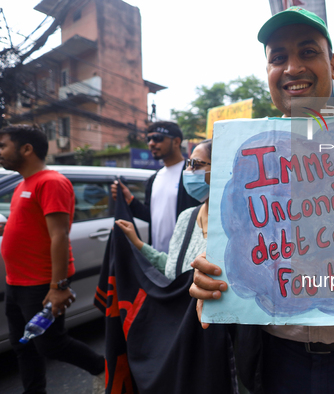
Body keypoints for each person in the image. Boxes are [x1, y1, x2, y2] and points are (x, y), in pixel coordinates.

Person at [190, 8, 334, 393]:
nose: (293, 67)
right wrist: (208, 280)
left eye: (308, 52)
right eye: (278, 58)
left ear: (332, 65)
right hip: (275, 360)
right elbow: (225, 259)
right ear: (268, 72)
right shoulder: (241, 164)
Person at [0, 125, 104, 393]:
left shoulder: (51, 182)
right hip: (17, 282)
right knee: (22, 344)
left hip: (41, 282)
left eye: (3, 146)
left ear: (26, 149)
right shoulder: (24, 184)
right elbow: (33, 225)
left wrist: (58, 286)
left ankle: (103, 368)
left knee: (51, 344)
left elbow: (59, 235)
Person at [115, 139, 212, 279]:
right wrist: (137, 243)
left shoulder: (240, 225)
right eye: (188, 164)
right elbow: (172, 269)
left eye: (196, 165)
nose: (189, 171)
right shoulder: (187, 217)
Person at [111, 121, 200, 253]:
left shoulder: (192, 174)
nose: (151, 143)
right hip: (157, 258)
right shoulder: (154, 179)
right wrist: (130, 200)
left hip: (186, 259)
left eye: (158, 138)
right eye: (149, 139)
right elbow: (151, 216)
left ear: (176, 142)